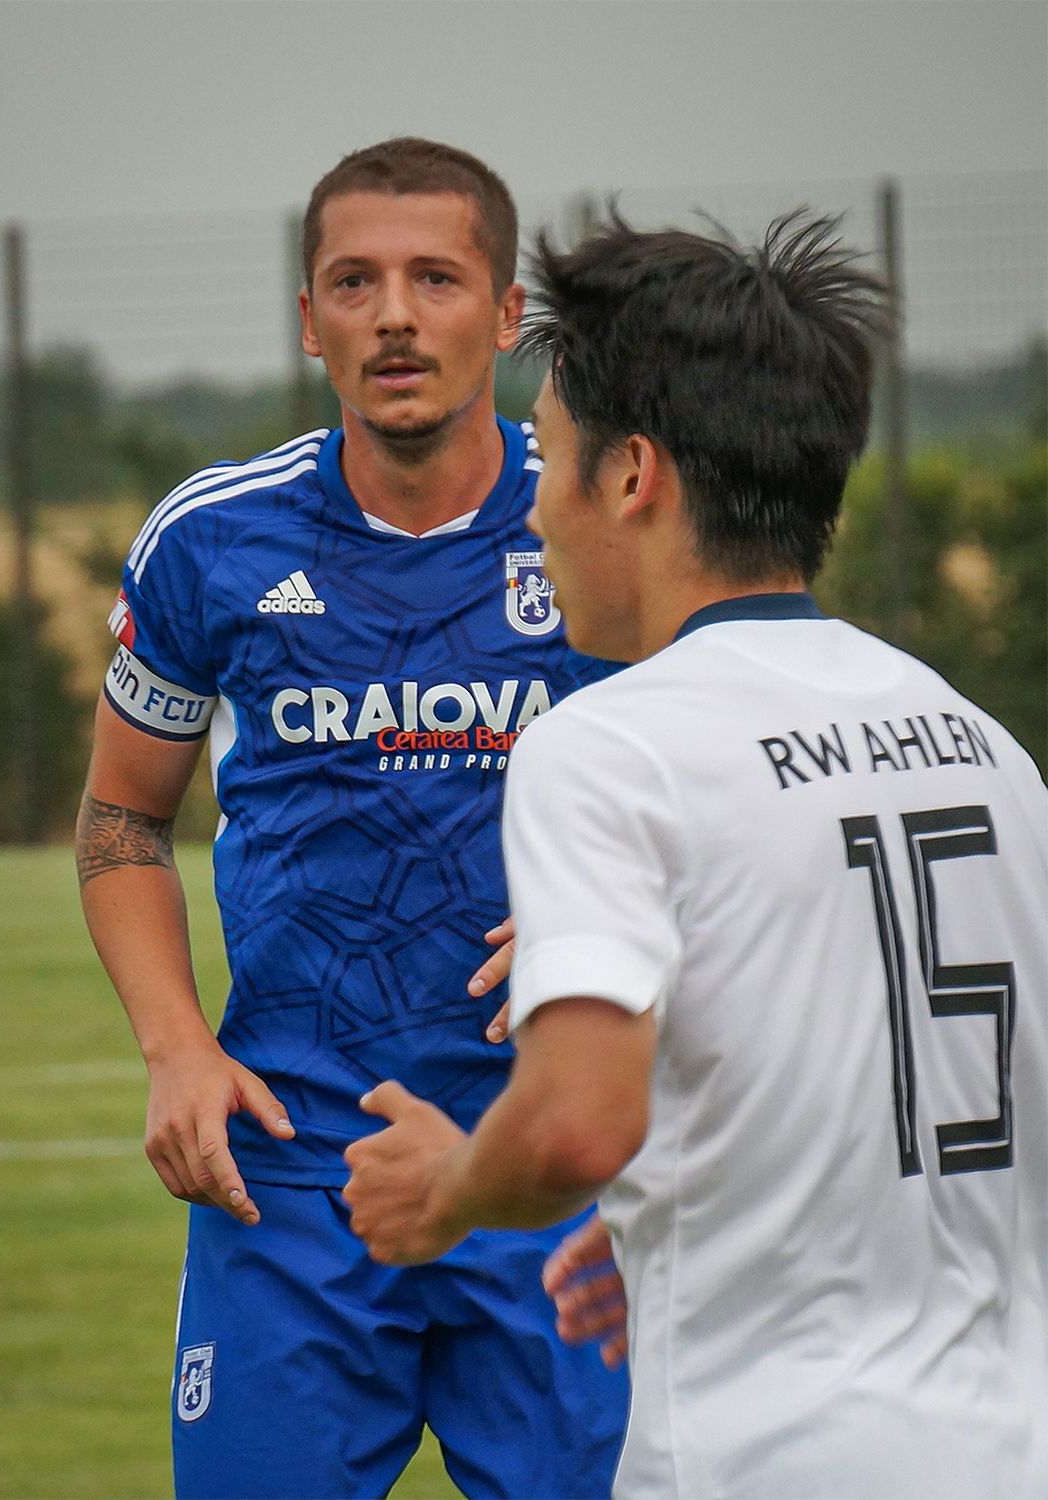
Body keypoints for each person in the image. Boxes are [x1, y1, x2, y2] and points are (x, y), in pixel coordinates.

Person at [343, 212, 1048, 1499]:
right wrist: (718, 1227)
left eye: (545, 460)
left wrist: (444, 1190)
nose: (534, 511)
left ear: (633, 477)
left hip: (760, 1460)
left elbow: (573, 1122)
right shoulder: (983, 746)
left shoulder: (610, 746)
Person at [75, 137, 627, 1500]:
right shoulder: (214, 540)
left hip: (547, 1165)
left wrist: (615, 919)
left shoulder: (604, 532)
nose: (393, 314)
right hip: (290, 1172)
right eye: (354, 280)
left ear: (506, 317)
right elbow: (119, 824)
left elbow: (714, 813)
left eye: (437, 278)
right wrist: (176, 1049)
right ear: (307, 314)